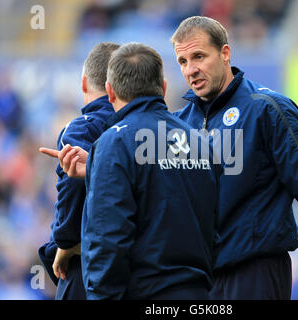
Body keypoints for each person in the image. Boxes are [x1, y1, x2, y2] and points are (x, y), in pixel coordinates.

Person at [170, 16, 298, 300]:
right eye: (183, 61)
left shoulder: (269, 109)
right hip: (199, 279)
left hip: (256, 273)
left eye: (199, 56)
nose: (191, 70)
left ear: (225, 53)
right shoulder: (180, 124)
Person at [52, 42, 220, 299]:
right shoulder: (200, 141)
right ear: (163, 89)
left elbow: (108, 238)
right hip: (199, 293)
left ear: (110, 92)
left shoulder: (114, 142)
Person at [38, 42, 120, 300]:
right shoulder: (144, 129)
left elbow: (74, 179)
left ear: (84, 83)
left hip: (85, 267)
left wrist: (65, 240)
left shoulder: (80, 129)